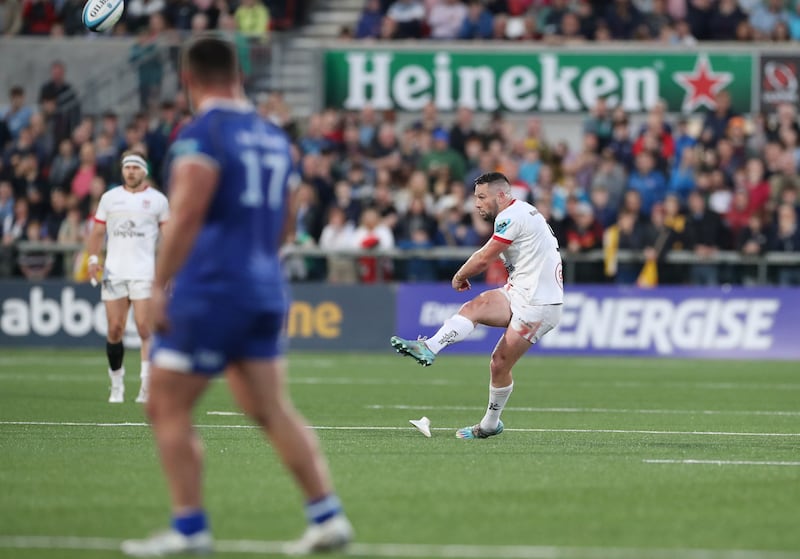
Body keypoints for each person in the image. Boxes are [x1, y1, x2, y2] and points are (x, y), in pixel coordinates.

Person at [120, 35, 353, 557]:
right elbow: (287, 223)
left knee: (165, 403)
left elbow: (186, 212)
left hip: (212, 289)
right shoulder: (275, 137)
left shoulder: (203, 134)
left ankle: (189, 529)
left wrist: (158, 285)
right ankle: (327, 516)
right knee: (269, 407)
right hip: (264, 284)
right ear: (238, 75)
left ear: (189, 80)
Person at [391, 172, 563, 439]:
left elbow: (484, 259)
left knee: (499, 363)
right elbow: (484, 252)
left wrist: (460, 275)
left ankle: (489, 424)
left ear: (502, 195)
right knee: (477, 306)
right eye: (475, 198)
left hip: (539, 304)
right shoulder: (521, 212)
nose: (477, 204)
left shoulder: (511, 216)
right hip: (519, 291)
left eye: (482, 197)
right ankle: (429, 347)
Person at [85, 151, 168, 404]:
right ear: (122, 171)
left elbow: (169, 237)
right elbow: (98, 232)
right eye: (127, 167)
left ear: (145, 171)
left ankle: (146, 386)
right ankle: (117, 384)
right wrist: (92, 259)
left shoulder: (158, 201)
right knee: (114, 329)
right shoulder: (110, 198)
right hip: (115, 271)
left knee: (145, 328)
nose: (131, 171)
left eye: (135, 167)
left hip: (144, 273)